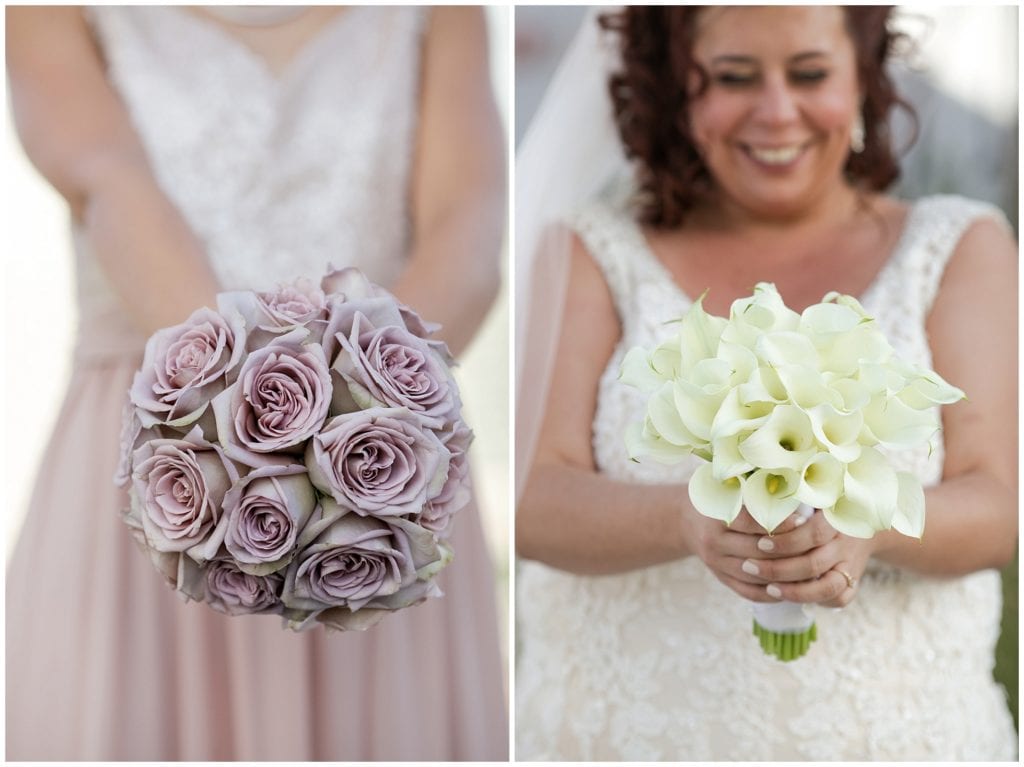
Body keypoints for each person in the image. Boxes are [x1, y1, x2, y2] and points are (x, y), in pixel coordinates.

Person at [515, 6, 1017, 760]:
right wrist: (688, 520)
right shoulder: (590, 249)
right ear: (675, 86)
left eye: (810, 74)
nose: (777, 111)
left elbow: (998, 506)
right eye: (733, 77)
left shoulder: (958, 245)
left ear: (861, 77)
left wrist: (870, 527)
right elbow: (529, 497)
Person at [6, 6, 507, 761]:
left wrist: (370, 415)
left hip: (380, 463)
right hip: (166, 452)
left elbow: (465, 226)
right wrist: (245, 414)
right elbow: (109, 184)